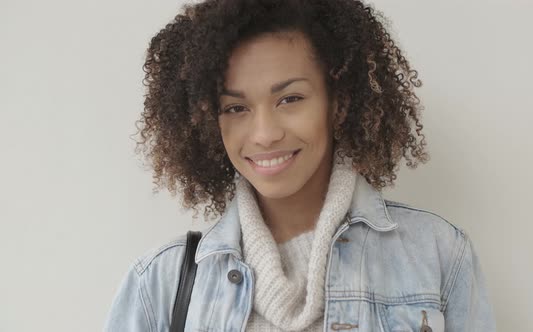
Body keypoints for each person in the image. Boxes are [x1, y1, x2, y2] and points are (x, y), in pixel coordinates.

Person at [104, 0, 496, 331]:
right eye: (236, 108)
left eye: (289, 99)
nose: (264, 134)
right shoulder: (159, 283)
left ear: (338, 102)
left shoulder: (439, 255)